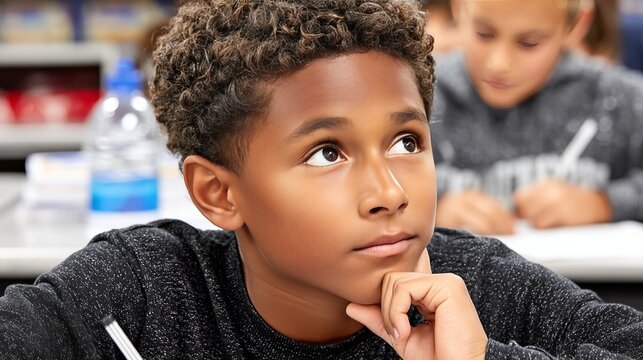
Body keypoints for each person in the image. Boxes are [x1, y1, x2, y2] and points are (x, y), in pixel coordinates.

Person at [1, 0, 642, 358]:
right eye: (327, 153)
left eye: (405, 141)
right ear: (218, 193)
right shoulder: (141, 290)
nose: (391, 192)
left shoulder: (478, 288)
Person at [431, 0, 643, 235]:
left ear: (576, 24)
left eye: (529, 43)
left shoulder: (618, 99)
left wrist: (605, 203)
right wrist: (430, 212)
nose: (499, 63)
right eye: (484, 34)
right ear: (458, 7)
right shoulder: (419, 95)